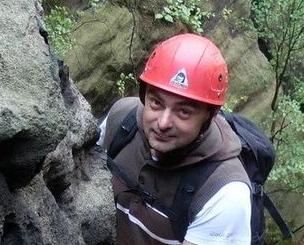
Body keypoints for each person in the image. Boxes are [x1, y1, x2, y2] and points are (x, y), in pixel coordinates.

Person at [99, 33, 252, 245]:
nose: (163, 122)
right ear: (144, 95)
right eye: (156, 103)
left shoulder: (224, 192)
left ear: (210, 114)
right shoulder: (120, 121)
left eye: (184, 112)